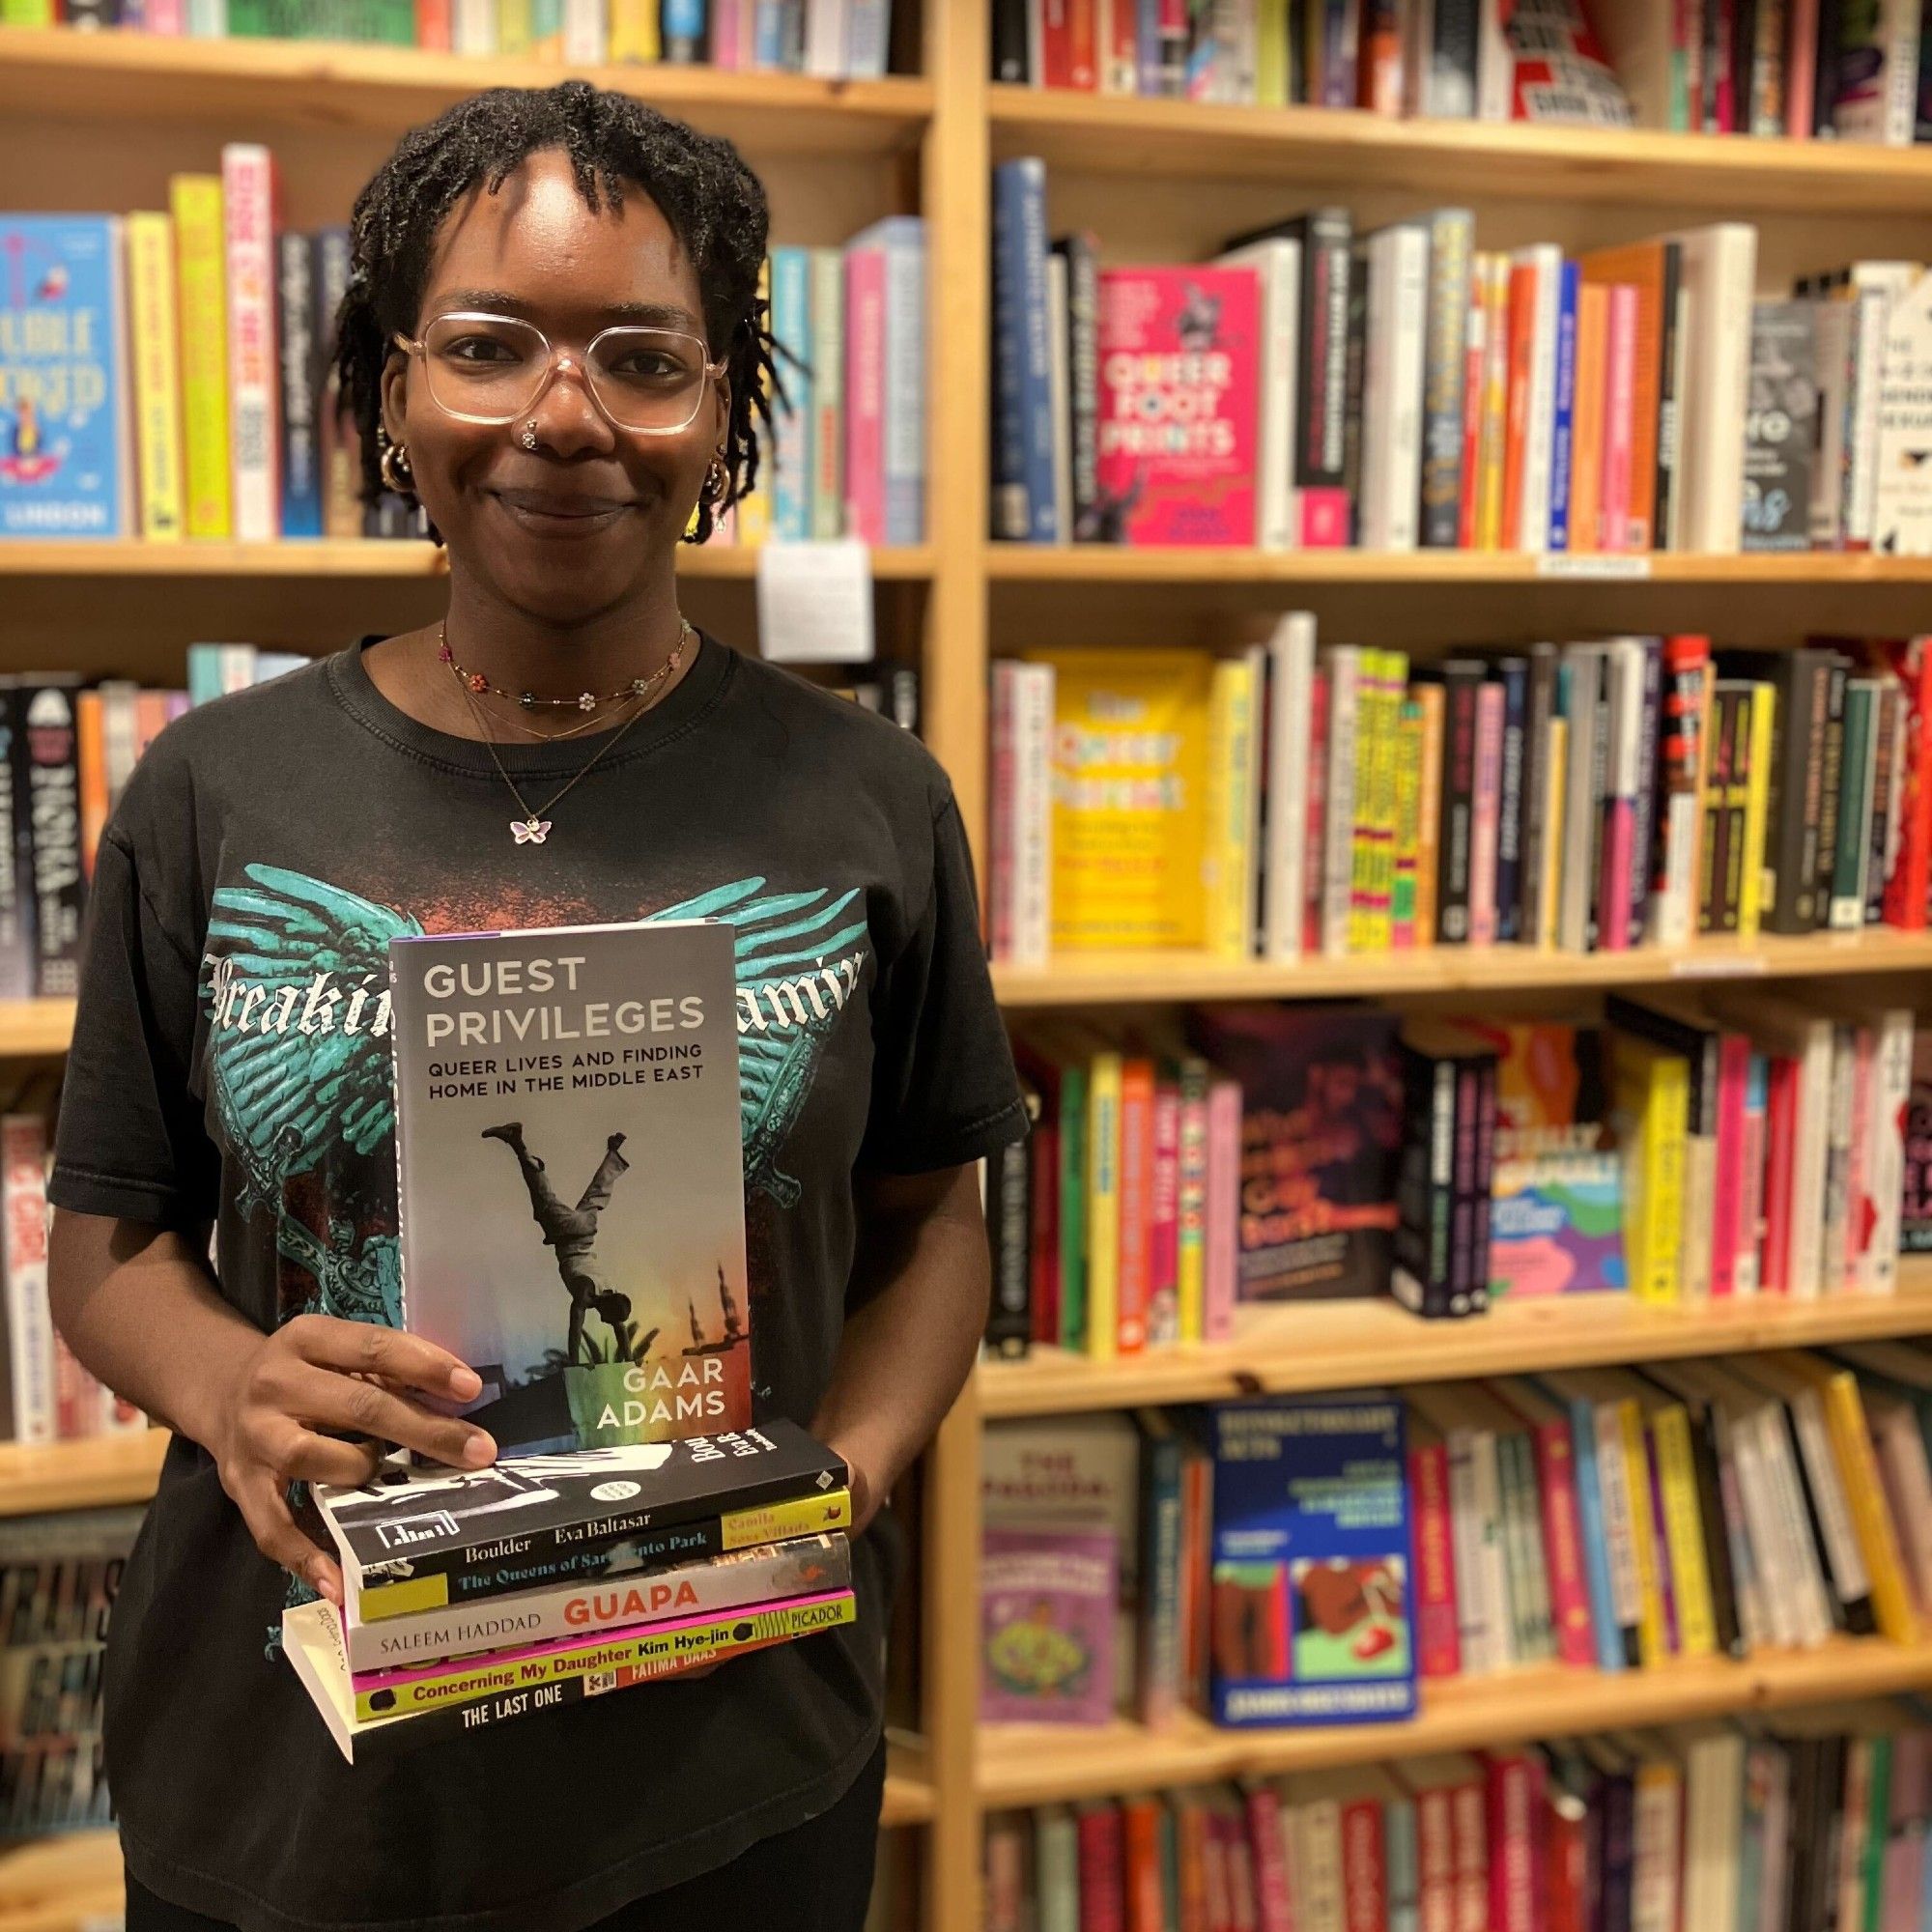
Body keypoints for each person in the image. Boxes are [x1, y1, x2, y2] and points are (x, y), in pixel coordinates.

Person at [45, 80, 1026, 1932]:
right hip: (296, 1774)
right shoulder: (211, 786)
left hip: (728, 1758)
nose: (563, 416)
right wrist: (234, 1386)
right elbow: (105, 1244)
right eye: (489, 345)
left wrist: (848, 1486)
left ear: (725, 400)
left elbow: (938, 1226)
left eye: (642, 356)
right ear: (392, 384)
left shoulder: (870, 795)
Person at [481, 1122, 642, 1364]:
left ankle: (613, 1154)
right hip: (567, 1233)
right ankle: (520, 1146)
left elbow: (620, 1329)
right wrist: (575, 1364)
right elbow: (575, 1329)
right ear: (606, 1310)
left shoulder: (610, 1292)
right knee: (543, 1201)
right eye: (608, 1319)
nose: (608, 1322)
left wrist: (630, 1361)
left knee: (596, 1195)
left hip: (587, 1230)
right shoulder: (585, 1293)